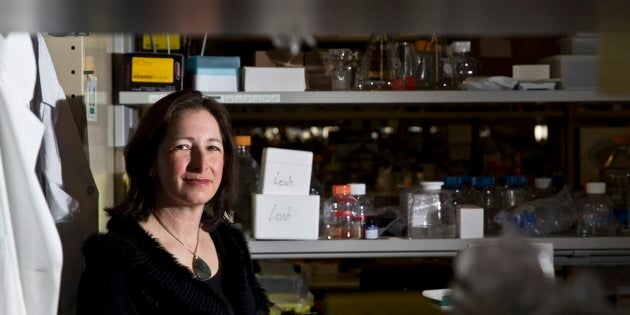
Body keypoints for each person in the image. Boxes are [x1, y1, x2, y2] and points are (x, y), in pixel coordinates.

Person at [77, 90, 270, 314]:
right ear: (150, 161)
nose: (201, 164)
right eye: (183, 147)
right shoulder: (114, 263)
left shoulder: (230, 245)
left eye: (213, 148)